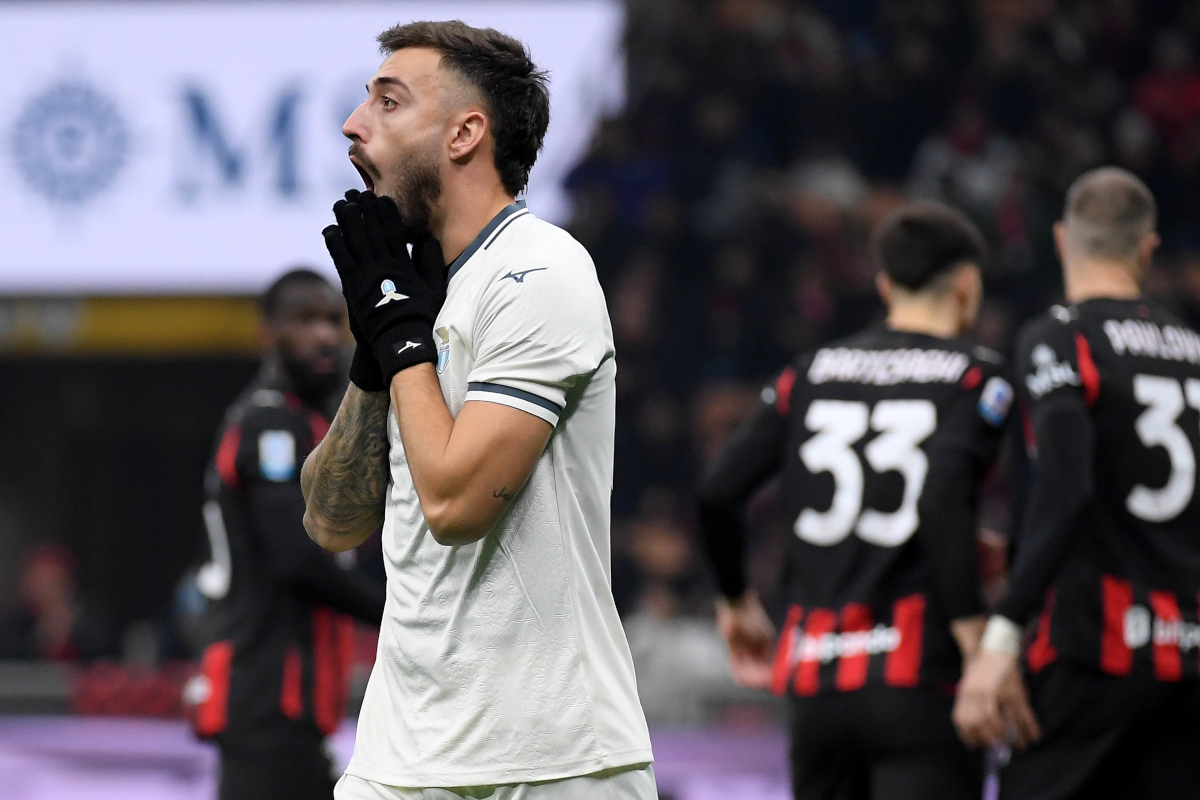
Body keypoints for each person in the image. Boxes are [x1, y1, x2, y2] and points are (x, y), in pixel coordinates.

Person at [300, 20, 655, 800]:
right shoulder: (421, 298)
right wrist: (376, 348)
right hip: (396, 760)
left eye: (388, 103)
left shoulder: (540, 269)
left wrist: (397, 333)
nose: (355, 125)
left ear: (465, 133)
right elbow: (331, 521)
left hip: (552, 761)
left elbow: (456, 503)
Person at [698, 204, 1012, 800]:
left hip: (818, 684)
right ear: (968, 283)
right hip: (919, 680)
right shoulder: (977, 378)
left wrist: (736, 601)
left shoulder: (811, 372)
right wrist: (978, 642)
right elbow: (942, 506)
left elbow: (717, 491)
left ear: (885, 284)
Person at [955, 167, 1200, 798]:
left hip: (1092, 655)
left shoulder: (1060, 340)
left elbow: (1066, 493)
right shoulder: (1194, 351)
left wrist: (1002, 638)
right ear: (1148, 249)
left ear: (1063, 240)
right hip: (1187, 662)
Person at [188, 268, 386, 800]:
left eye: (331, 320)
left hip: (291, 703)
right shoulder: (268, 424)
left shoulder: (306, 420)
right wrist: (396, 616)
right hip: (266, 694)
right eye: (304, 320)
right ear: (267, 333)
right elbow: (297, 557)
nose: (323, 335)